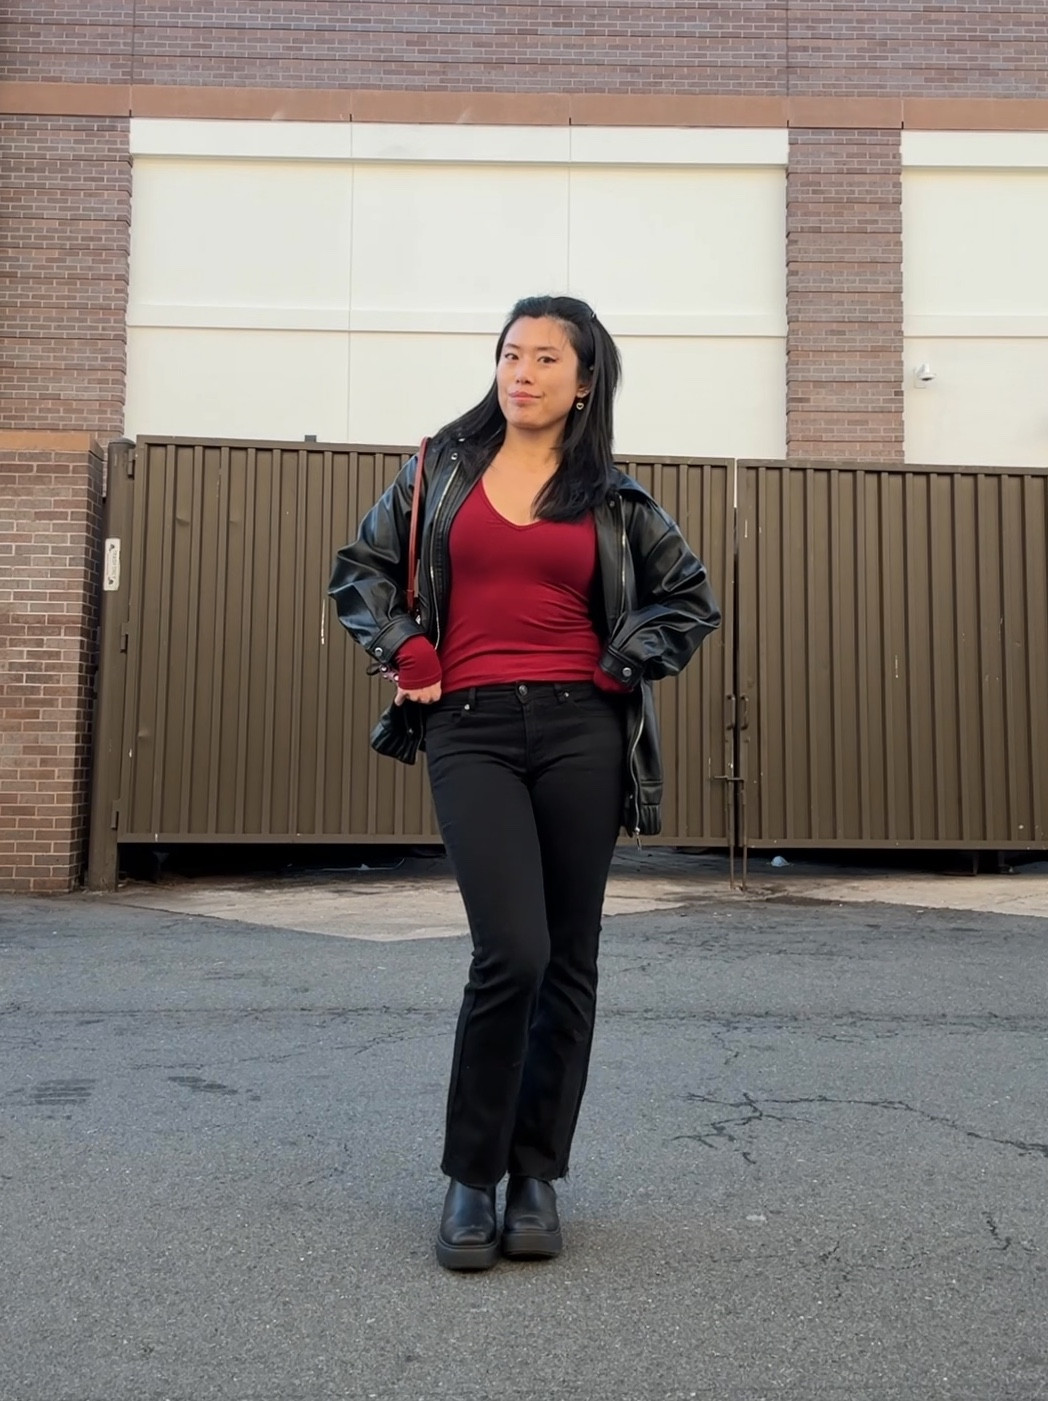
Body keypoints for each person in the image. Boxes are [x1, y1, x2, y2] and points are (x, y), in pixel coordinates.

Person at [329, 294, 720, 1271]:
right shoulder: (437, 471)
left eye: (548, 358)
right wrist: (404, 641)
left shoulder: (615, 499)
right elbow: (360, 572)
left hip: (582, 731)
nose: (524, 371)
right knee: (512, 949)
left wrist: (621, 660)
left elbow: (688, 598)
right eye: (512, 353)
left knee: (569, 957)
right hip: (469, 729)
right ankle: (470, 1176)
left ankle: (535, 1173)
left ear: (584, 379)